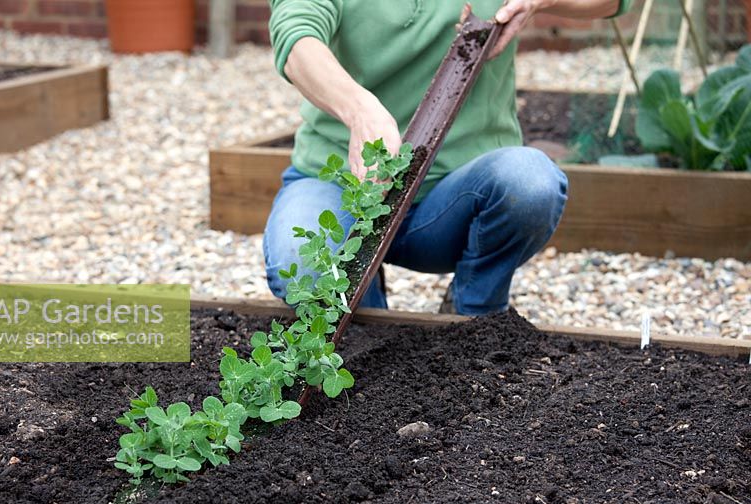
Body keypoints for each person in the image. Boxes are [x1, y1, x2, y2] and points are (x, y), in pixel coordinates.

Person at [263, 0, 631, 315]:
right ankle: (367, 323)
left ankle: (472, 315)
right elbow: (296, 37)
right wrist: (359, 111)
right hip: (342, 186)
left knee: (531, 183)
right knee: (300, 263)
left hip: (455, 198)